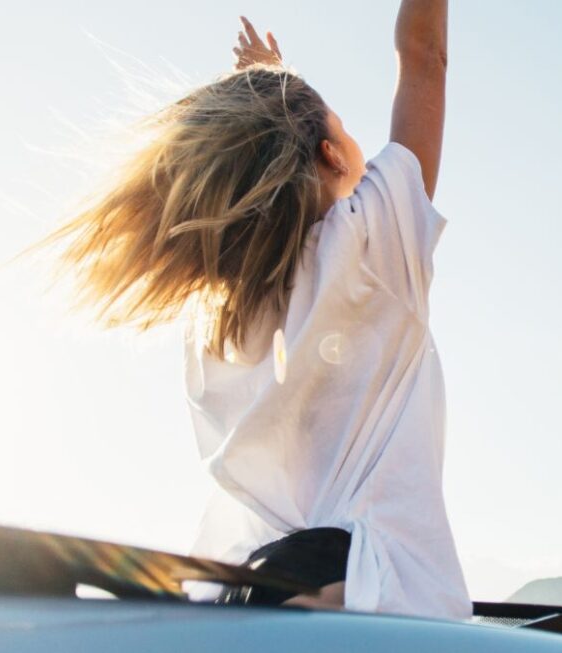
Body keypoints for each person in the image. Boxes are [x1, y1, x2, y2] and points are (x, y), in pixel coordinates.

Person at [28, 0, 469, 620]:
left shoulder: (218, 315)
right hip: (372, 588)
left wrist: (278, 98)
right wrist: (283, 96)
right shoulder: (375, 245)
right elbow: (424, 59)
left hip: (252, 590)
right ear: (333, 155)